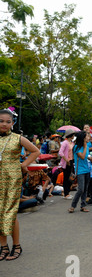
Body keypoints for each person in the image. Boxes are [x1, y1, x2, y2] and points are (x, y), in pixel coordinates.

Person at [0, 108, 40, 261]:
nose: (4, 124)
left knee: (10, 213)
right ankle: (3, 247)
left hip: (12, 180)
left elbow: (35, 151)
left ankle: (16, 245)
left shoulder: (17, 138)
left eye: (8, 122)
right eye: (1, 121)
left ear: (12, 123)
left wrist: (25, 165)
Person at [68, 131, 92, 213]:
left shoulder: (87, 147)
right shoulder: (77, 147)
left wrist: (91, 158)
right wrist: (85, 147)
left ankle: (83, 205)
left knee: (85, 189)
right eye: (87, 136)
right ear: (83, 138)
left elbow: (86, 157)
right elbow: (82, 156)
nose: (88, 137)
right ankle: (73, 206)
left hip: (87, 169)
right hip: (80, 171)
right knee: (81, 189)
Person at [58, 129, 76, 200]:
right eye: (73, 135)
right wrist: (66, 160)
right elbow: (60, 152)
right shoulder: (65, 143)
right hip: (66, 162)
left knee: (72, 176)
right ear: (70, 135)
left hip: (71, 161)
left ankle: (67, 191)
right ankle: (66, 193)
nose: (74, 136)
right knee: (66, 177)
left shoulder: (71, 142)